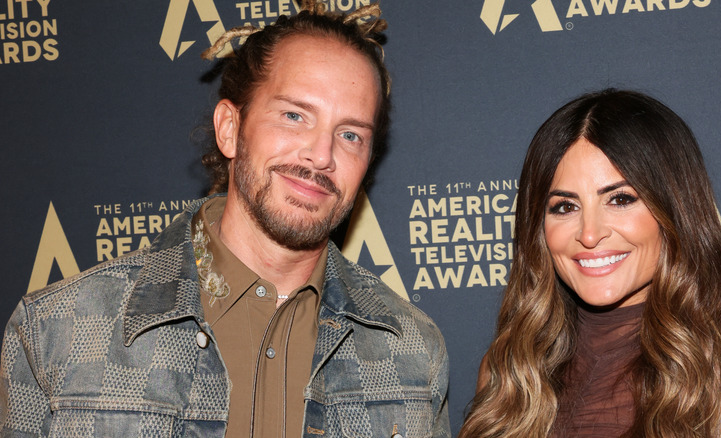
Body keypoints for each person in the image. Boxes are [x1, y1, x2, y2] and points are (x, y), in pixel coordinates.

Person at [0, 2, 449, 437]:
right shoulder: (57, 330)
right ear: (230, 129)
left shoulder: (411, 350)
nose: (322, 155)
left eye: (350, 134)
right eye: (294, 116)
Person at [459, 89, 721, 437]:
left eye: (620, 199)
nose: (590, 234)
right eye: (565, 207)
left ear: (673, 212)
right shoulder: (507, 376)